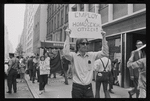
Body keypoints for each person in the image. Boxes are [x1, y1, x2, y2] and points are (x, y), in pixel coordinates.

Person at [63, 28, 109, 98]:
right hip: (77, 87)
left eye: (87, 43)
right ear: (78, 45)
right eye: (83, 43)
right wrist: (67, 36)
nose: (85, 45)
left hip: (88, 87)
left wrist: (104, 37)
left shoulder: (91, 55)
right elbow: (66, 53)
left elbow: (105, 53)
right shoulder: (74, 56)